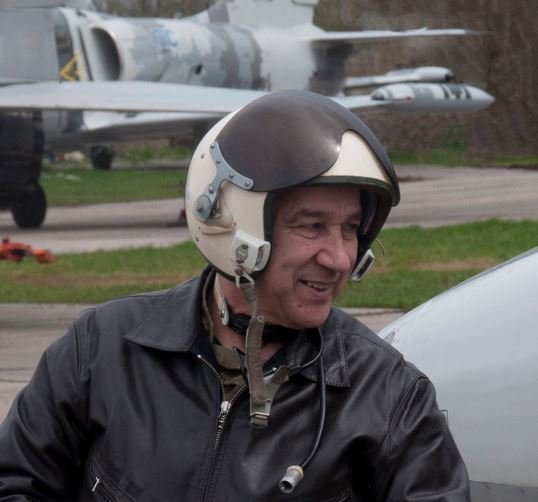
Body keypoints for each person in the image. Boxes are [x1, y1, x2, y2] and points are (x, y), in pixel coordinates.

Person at [0, 90, 470, 501]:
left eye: (350, 229)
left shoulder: (387, 395)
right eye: (312, 226)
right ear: (231, 225)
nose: (340, 258)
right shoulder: (101, 351)